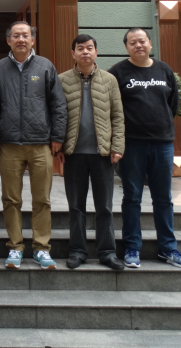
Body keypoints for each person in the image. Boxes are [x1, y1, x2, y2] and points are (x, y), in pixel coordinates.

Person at [108, 28, 181, 269]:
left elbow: (172, 103)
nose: (138, 45)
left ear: (150, 44)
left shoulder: (164, 70)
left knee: (163, 198)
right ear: (126, 47)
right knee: (132, 197)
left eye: (142, 41)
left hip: (162, 143)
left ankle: (168, 248)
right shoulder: (118, 72)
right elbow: (111, 107)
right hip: (131, 144)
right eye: (132, 42)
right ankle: (132, 248)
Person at [0, 21, 67, 270]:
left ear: (33, 39)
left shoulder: (45, 66)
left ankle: (41, 248)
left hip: (40, 143)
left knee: (42, 199)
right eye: (16, 36)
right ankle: (15, 247)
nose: (21, 39)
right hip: (10, 144)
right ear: (8, 40)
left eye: (25, 35)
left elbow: (58, 104)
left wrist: (57, 136)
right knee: (11, 199)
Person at [57, 34, 125, 271]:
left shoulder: (109, 80)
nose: (85, 52)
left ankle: (107, 252)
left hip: (102, 154)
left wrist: (117, 146)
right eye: (80, 48)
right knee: (76, 206)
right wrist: (59, 146)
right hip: (74, 153)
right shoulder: (62, 80)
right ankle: (77, 250)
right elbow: (57, 116)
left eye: (89, 48)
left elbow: (117, 116)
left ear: (96, 52)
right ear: (73, 53)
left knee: (104, 206)